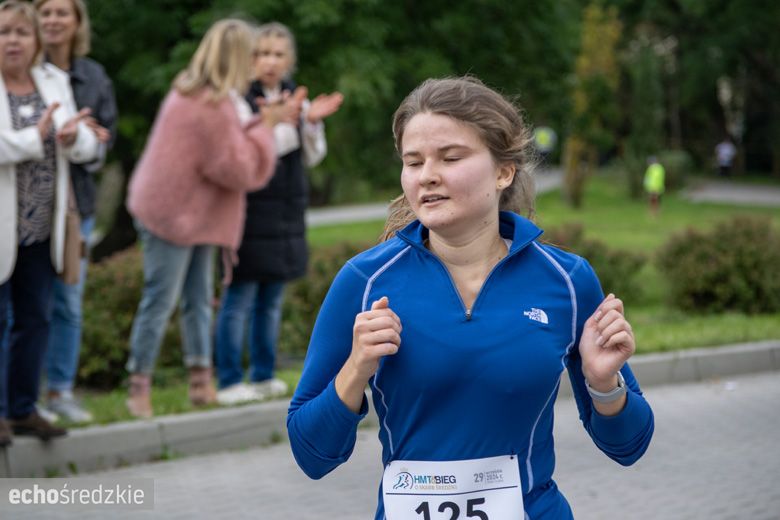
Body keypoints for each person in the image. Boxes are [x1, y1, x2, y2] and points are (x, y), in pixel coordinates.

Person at [287, 77, 654, 519]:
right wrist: (355, 368)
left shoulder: (567, 280)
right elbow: (312, 455)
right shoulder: (364, 282)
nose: (428, 176)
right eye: (414, 161)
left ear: (504, 171)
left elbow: (629, 445)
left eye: (451, 157)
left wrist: (603, 384)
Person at [124, 18, 302, 419]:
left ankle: (200, 383)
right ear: (237, 58)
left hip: (197, 215)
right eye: (252, 55)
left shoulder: (198, 92)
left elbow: (235, 146)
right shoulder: (209, 104)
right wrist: (269, 126)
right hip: (171, 215)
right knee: (162, 299)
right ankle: (139, 387)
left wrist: (263, 124)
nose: (257, 63)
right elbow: (238, 168)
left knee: (198, 300)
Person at [214, 22, 343, 405]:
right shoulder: (238, 99)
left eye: (277, 54)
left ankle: (264, 375)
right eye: (261, 53)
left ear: (289, 61)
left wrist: (311, 122)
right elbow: (251, 150)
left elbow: (312, 155)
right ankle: (229, 379)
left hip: (286, 211)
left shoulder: (294, 99)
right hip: (249, 211)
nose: (269, 62)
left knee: (272, 299)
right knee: (239, 299)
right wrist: (289, 122)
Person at [0, 0, 99, 445]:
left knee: (36, 318)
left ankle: (22, 409)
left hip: (43, 226)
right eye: (3, 32)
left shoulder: (53, 80)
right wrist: (32, 137)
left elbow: (83, 149)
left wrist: (74, 137)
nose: (12, 41)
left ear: (37, 40)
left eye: (22, 32)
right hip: (2, 227)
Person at [34, 0, 117, 424]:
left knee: (68, 300)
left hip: (74, 208)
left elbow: (105, 142)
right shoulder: (21, 73)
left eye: (61, 11)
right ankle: (22, 395)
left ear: (77, 22)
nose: (52, 19)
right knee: (25, 304)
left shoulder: (93, 76)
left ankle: (60, 391)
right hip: (26, 207)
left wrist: (87, 142)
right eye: (44, 11)